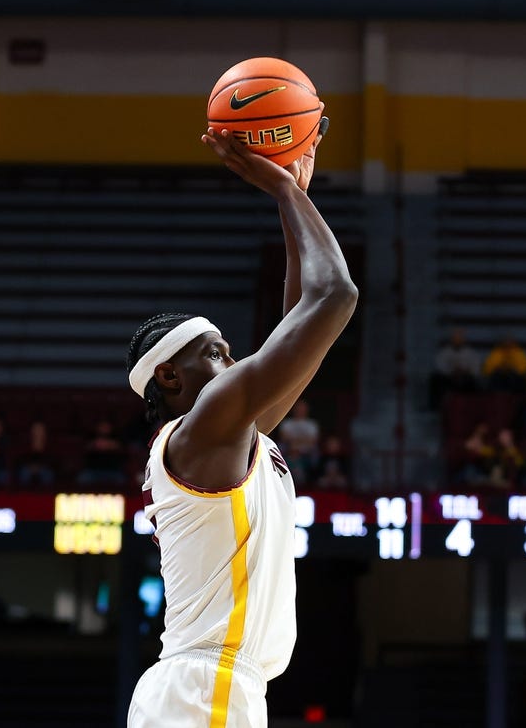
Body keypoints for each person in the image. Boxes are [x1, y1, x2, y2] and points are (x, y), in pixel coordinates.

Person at [126, 116, 358, 728]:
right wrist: (287, 190)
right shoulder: (201, 434)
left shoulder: (228, 437)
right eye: (215, 352)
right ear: (171, 378)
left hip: (211, 688)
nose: (232, 359)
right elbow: (335, 295)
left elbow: (296, 322)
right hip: (205, 689)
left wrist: (294, 200)